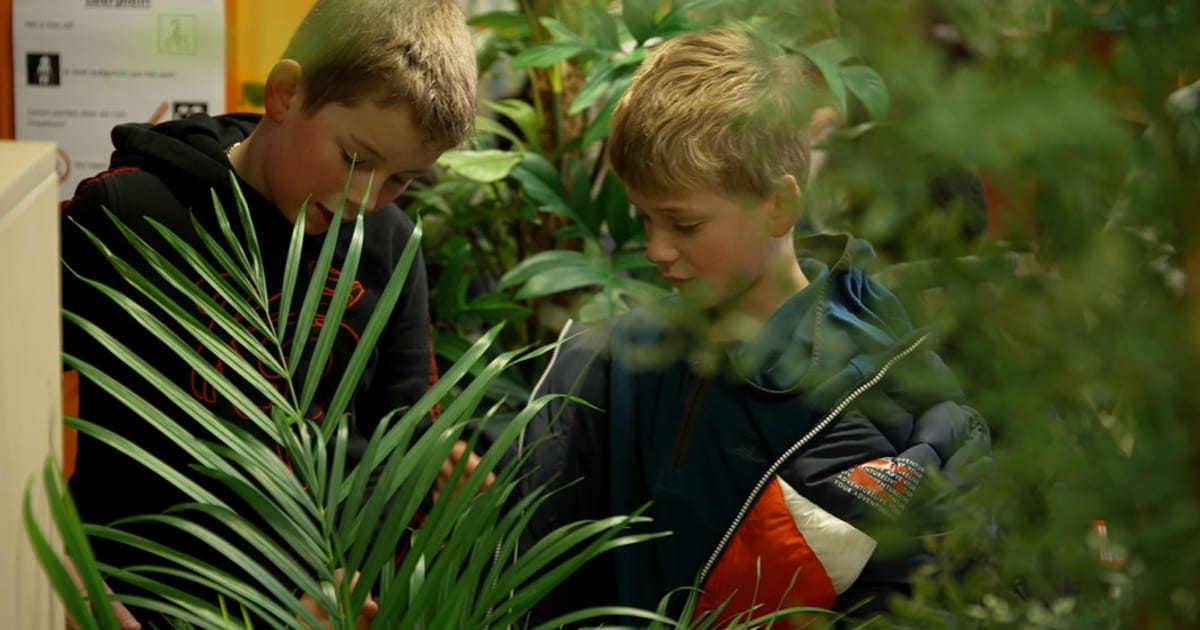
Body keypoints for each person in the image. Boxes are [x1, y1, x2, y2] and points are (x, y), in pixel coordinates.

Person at [520, 26, 991, 628]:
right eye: (643, 217)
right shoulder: (611, 361)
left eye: (684, 224)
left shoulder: (877, 390)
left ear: (779, 206)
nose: (656, 249)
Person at [59, 0, 485, 626]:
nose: (368, 198)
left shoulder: (390, 246)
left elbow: (398, 439)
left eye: (402, 180)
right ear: (286, 93)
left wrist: (354, 575)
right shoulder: (130, 215)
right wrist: (72, 577)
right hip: (131, 596)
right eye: (358, 159)